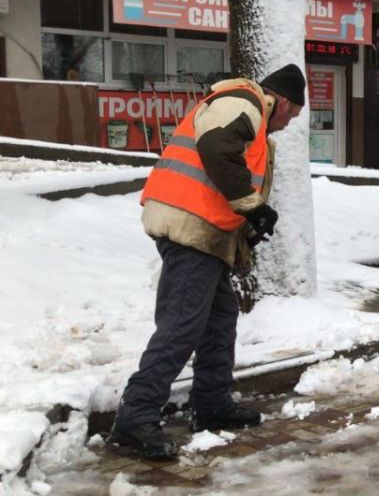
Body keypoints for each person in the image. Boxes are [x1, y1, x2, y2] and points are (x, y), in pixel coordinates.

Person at [108, 64, 308, 460]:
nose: (289, 123)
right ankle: (135, 416)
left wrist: (248, 225)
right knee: (183, 323)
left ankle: (211, 403)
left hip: (203, 231)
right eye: (294, 114)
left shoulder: (251, 118)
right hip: (187, 227)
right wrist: (251, 206)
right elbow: (216, 149)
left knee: (219, 318)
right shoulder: (245, 101)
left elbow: (224, 174)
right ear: (282, 100)